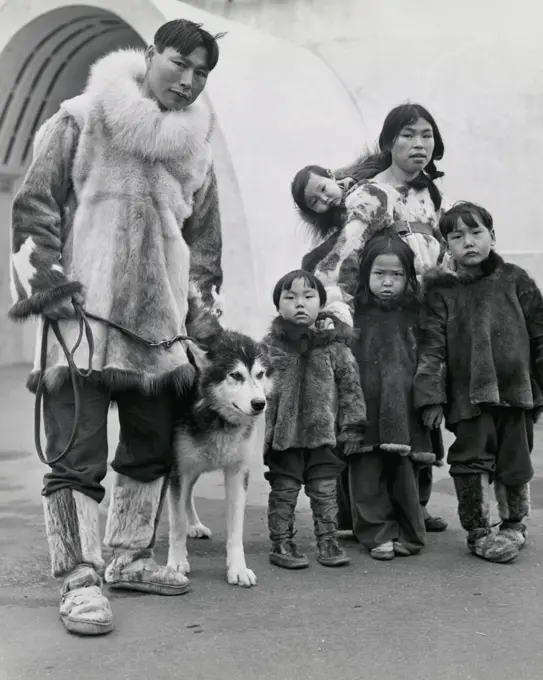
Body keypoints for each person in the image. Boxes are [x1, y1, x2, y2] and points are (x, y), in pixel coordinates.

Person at [8, 19, 224, 636]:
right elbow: (34, 207)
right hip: (82, 325)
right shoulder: (79, 118)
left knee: (150, 449)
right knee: (76, 456)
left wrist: (202, 321)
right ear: (151, 53)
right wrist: (48, 290)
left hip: (160, 334)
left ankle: (129, 556)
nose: (188, 80)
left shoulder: (197, 148)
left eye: (202, 73)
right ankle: (78, 579)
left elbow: (204, 245)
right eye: (179, 63)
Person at [293, 103, 449, 533]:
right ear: (388, 142)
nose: (419, 145)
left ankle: (411, 504)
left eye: (427, 136)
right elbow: (340, 262)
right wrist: (337, 321)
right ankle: (365, 512)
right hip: (375, 326)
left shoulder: (428, 193)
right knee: (374, 417)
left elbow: (437, 251)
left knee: (419, 409)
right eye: (408, 136)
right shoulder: (371, 196)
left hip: (420, 320)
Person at [414, 201, 543, 563]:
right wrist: (431, 399)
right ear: (447, 245)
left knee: (515, 462)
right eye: (457, 236)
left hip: (516, 393)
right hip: (466, 398)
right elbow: (432, 349)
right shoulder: (440, 292)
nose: (468, 242)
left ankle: (514, 524)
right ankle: (478, 530)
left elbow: (539, 336)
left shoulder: (516, 280)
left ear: (493, 236)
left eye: (476, 232)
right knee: (470, 461)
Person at [346, 229, 444, 560]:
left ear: (408, 277)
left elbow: (433, 355)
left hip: (405, 412)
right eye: (379, 274)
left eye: (396, 274)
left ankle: (411, 532)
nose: (388, 282)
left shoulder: (419, 314)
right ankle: (377, 533)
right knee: (367, 473)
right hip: (365, 411)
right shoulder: (352, 314)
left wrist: (431, 398)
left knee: (406, 476)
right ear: (365, 275)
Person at [263, 270, 366, 569]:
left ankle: (328, 540)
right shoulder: (269, 348)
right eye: (290, 297)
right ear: (278, 305)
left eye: (308, 297)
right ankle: (281, 542)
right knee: (284, 490)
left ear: (320, 303)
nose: (299, 303)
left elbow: (350, 386)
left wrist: (353, 426)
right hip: (284, 437)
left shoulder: (335, 347)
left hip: (323, 434)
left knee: (324, 489)